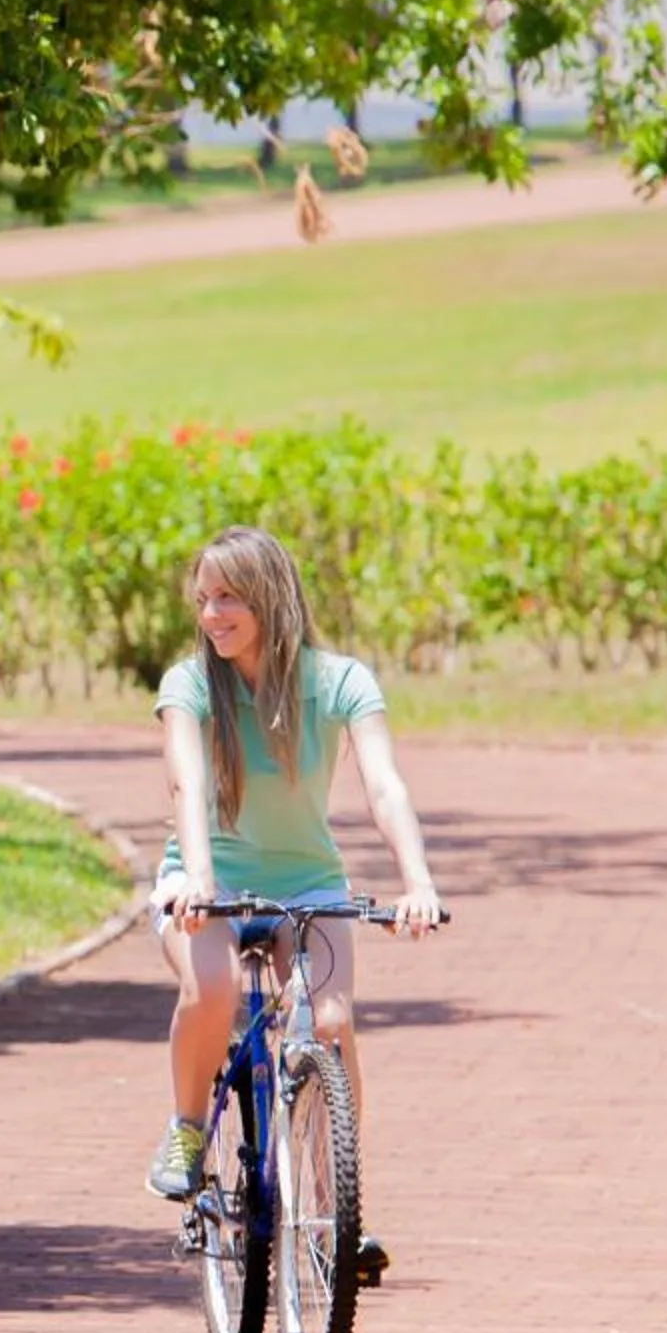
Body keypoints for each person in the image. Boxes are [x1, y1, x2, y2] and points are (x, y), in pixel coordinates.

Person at [145, 525, 443, 1272]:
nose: (212, 614)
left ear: (271, 599)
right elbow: (184, 781)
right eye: (204, 598)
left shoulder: (340, 681)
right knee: (211, 988)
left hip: (306, 885)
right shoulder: (189, 684)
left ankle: (333, 1214)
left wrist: (418, 882)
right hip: (204, 884)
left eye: (229, 597)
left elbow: (384, 783)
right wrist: (202, 879)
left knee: (332, 1025)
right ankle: (186, 1131)